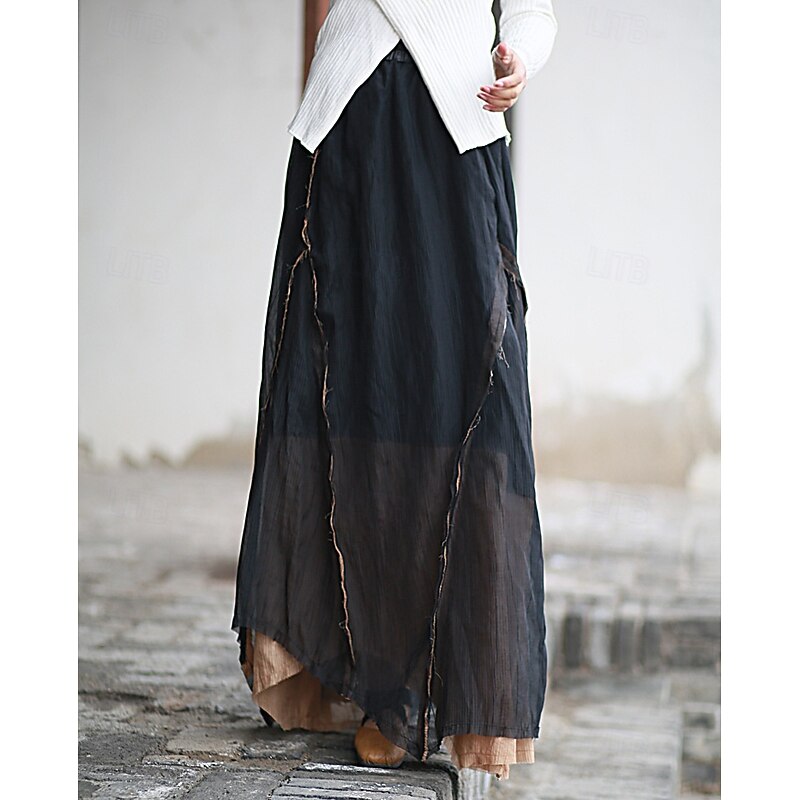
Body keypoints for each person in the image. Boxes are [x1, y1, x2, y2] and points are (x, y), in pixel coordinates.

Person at [232, 0, 558, 782]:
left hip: (457, 126)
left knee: (463, 401)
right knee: (346, 393)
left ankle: (424, 689)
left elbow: (533, 10)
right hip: (344, 124)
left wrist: (517, 55)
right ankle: (365, 681)